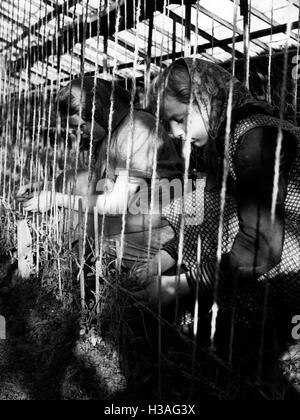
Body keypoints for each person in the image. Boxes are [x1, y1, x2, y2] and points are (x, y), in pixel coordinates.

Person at [134, 57, 300, 334]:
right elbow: (211, 218)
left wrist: (179, 285)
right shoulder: (228, 137)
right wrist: (165, 258)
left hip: (282, 252)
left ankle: (260, 317)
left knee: (196, 200)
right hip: (275, 241)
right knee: (194, 197)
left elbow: (261, 247)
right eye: (169, 123)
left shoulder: (255, 141)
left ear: (206, 100)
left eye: (181, 119)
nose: (176, 133)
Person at [21, 77, 184, 269]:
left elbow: (118, 203)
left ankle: (74, 266)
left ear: (98, 112)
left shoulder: (138, 128)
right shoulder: (111, 134)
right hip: (135, 214)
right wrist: (46, 186)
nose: (79, 132)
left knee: (87, 228)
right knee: (70, 181)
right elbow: (100, 183)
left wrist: (55, 199)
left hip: (161, 222)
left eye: (81, 125)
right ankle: (70, 260)